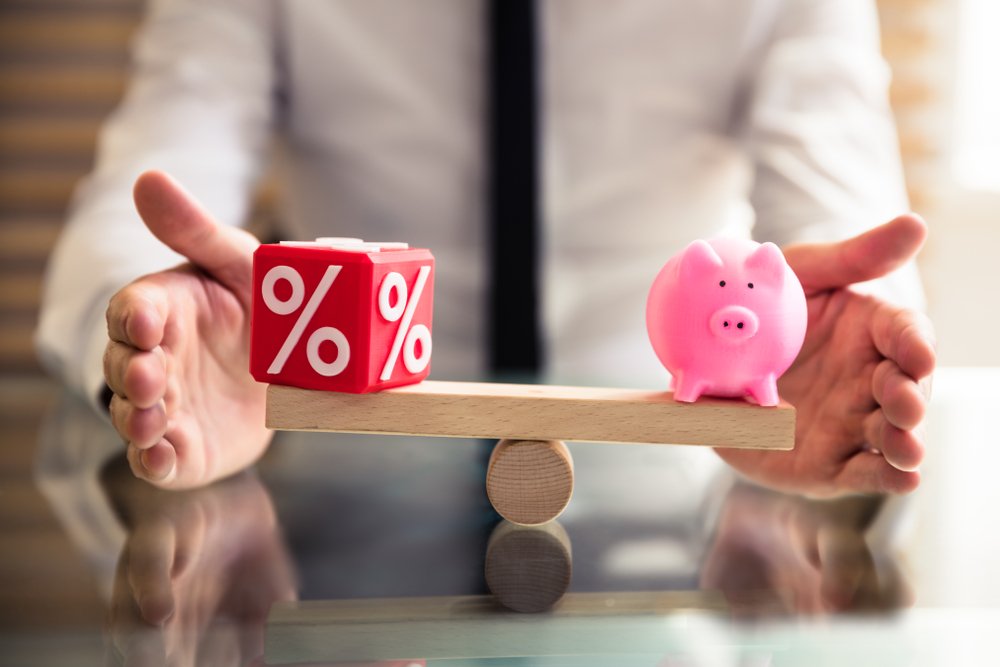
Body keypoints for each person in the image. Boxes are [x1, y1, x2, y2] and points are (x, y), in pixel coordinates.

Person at [36, 1, 935, 496]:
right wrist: (157, 332)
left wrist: (835, 344)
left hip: (680, 494)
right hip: (340, 481)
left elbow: (842, 201)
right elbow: (138, 197)